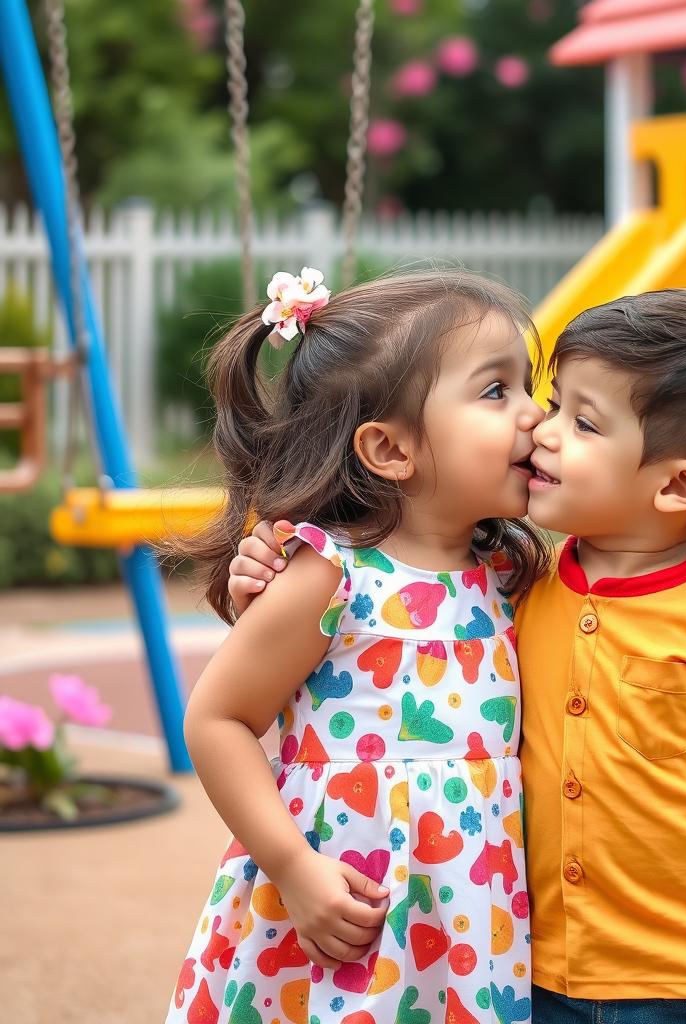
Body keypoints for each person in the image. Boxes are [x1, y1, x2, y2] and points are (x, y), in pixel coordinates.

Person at [230, 288, 686, 1024]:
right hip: (528, 969)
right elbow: (373, 654)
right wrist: (262, 585)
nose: (541, 427)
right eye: (548, 401)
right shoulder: (520, 588)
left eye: (581, 421)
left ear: (678, 485)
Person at [167, 268, 546, 1024]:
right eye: (497, 391)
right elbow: (218, 721)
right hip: (339, 902)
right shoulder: (332, 576)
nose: (538, 415)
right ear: (391, 449)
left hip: (470, 913)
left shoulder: (508, 574)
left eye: (528, 385)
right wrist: (293, 867)